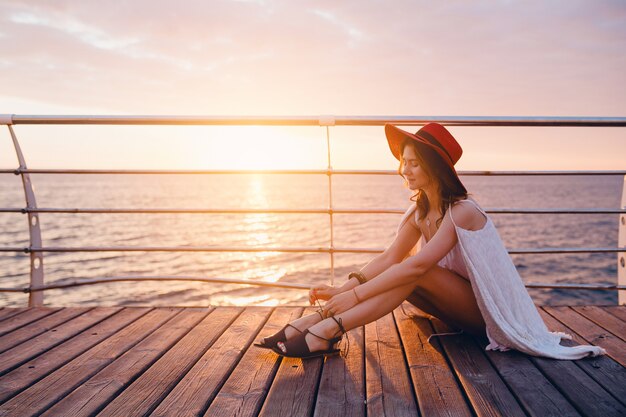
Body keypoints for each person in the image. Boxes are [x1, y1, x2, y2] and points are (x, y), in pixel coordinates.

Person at [255, 123, 605, 360]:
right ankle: (315, 324)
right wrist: (342, 286)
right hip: (452, 308)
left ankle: (327, 328)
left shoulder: (463, 211)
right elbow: (390, 256)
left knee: (415, 270)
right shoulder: (419, 211)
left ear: (435, 167)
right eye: (403, 163)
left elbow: (418, 265)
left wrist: (349, 297)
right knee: (403, 269)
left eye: (414, 164)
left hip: (490, 317)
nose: (404, 170)